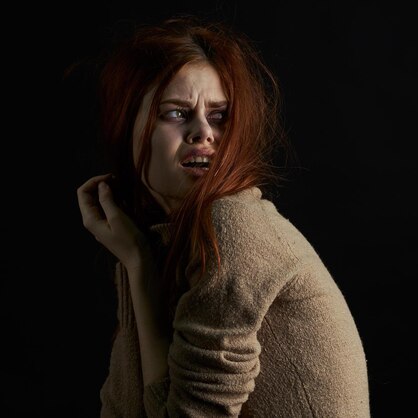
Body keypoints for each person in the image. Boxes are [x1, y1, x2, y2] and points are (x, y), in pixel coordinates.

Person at [75, 14, 370, 417]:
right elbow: (124, 407)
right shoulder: (163, 235)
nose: (204, 133)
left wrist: (140, 268)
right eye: (177, 113)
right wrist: (137, 263)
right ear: (128, 123)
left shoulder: (234, 225)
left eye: (218, 116)